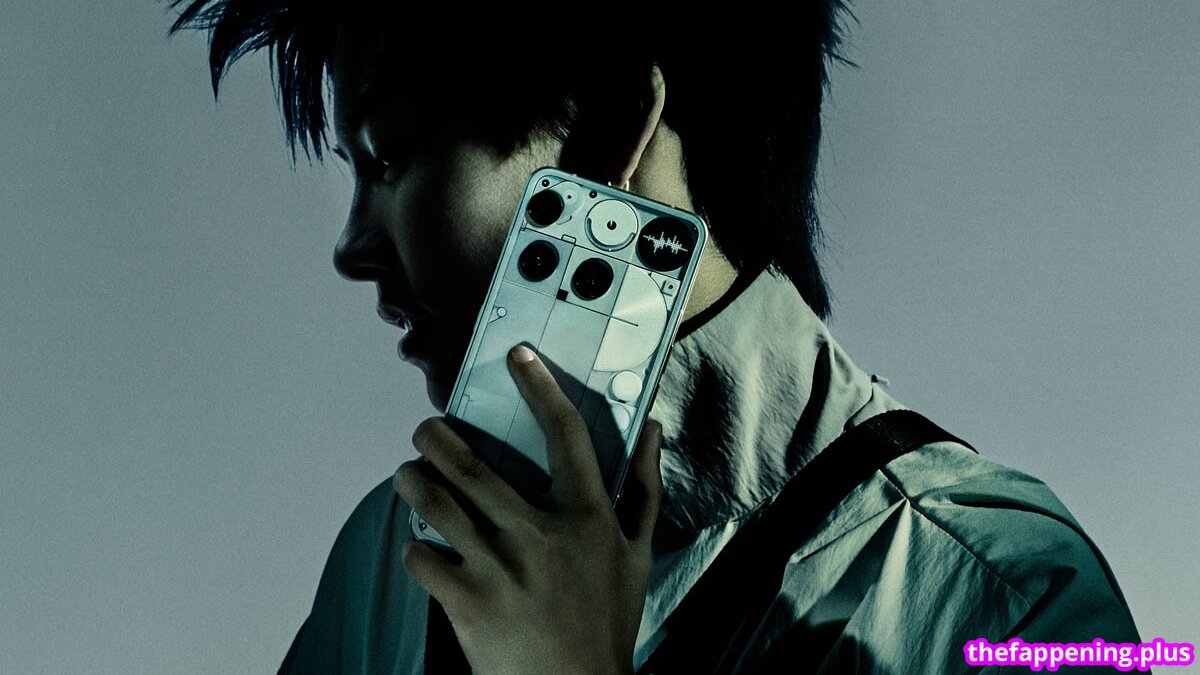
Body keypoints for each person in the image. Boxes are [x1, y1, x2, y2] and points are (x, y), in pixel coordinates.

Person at [169, 3, 1145, 673]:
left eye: (390, 157)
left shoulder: (1005, 597)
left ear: (610, 133)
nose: (351, 247)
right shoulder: (393, 559)